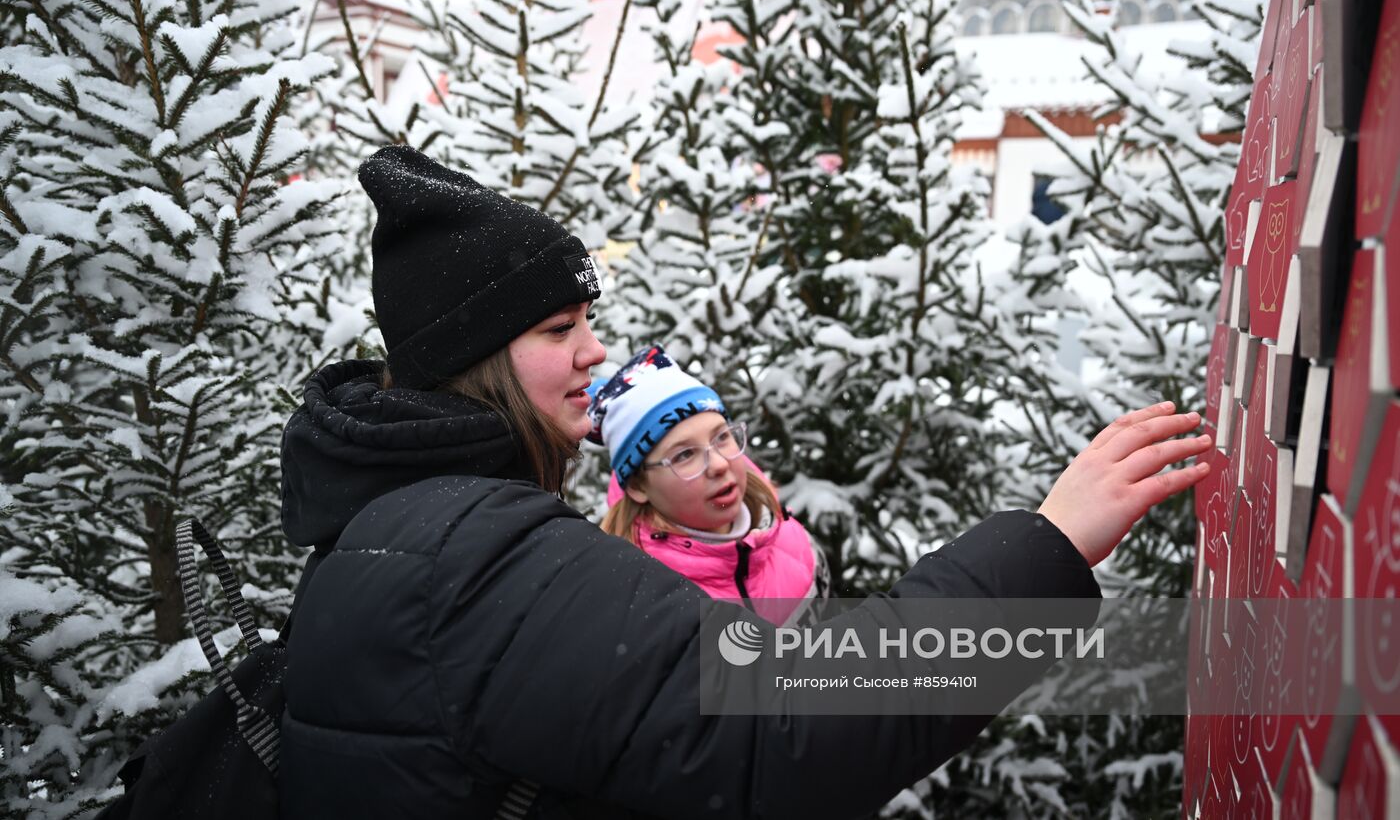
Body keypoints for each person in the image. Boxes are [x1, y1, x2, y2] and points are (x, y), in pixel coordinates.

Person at [278, 145, 1214, 819]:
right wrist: (1045, 549)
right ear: (476, 357)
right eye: (558, 327)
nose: (595, 349)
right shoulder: (480, 556)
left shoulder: (388, 530)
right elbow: (785, 727)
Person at [587, 344, 830, 627]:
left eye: (722, 437)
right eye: (684, 455)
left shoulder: (785, 534)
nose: (719, 464)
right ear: (638, 486)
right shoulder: (640, 605)